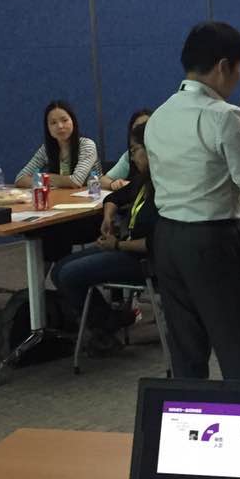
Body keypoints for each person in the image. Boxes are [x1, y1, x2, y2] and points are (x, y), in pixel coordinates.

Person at [146, 21, 240, 380]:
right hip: (213, 241)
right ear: (223, 66)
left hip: (167, 239)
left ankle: (188, 414)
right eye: (238, 67)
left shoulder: (160, 114)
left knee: (186, 356)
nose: (239, 76)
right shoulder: (224, 116)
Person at [51, 121, 157, 353]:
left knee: (69, 275)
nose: (132, 158)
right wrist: (108, 217)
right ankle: (107, 320)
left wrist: (117, 245)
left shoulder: (164, 187)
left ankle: (103, 324)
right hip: (125, 248)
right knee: (58, 270)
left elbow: (156, 243)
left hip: (145, 260)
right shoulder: (142, 179)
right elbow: (113, 198)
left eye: (135, 151)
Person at [16, 100, 99, 188]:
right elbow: (20, 178)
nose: (60, 126)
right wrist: (54, 180)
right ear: (48, 128)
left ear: (73, 121)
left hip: (91, 195)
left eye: (64, 120)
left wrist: (43, 178)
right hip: (60, 195)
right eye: (53, 123)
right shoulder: (46, 149)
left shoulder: (87, 145)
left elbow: (75, 181)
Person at [101, 108, 152, 190]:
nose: (141, 132)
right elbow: (103, 180)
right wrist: (113, 184)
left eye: (145, 126)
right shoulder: (130, 155)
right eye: (137, 129)